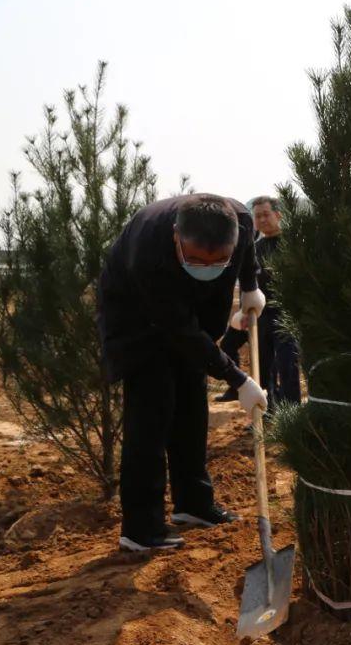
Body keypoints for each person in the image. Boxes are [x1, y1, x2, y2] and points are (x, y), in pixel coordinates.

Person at [98, 194, 268, 552]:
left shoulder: (240, 219)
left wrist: (250, 287)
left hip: (187, 313)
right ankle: (141, 528)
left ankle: (194, 504)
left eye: (219, 261)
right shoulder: (148, 250)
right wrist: (238, 379)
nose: (206, 267)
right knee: (151, 415)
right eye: (195, 259)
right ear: (177, 235)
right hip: (137, 321)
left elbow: (247, 252)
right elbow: (178, 329)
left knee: (192, 409)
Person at [215, 197, 301, 410]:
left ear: (278, 215)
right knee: (263, 367)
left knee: (287, 364)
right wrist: (245, 310)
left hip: (286, 314)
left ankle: (292, 413)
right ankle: (268, 412)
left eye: (266, 214)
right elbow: (248, 284)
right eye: (258, 216)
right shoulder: (254, 248)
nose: (262, 219)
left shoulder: (292, 245)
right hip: (260, 314)